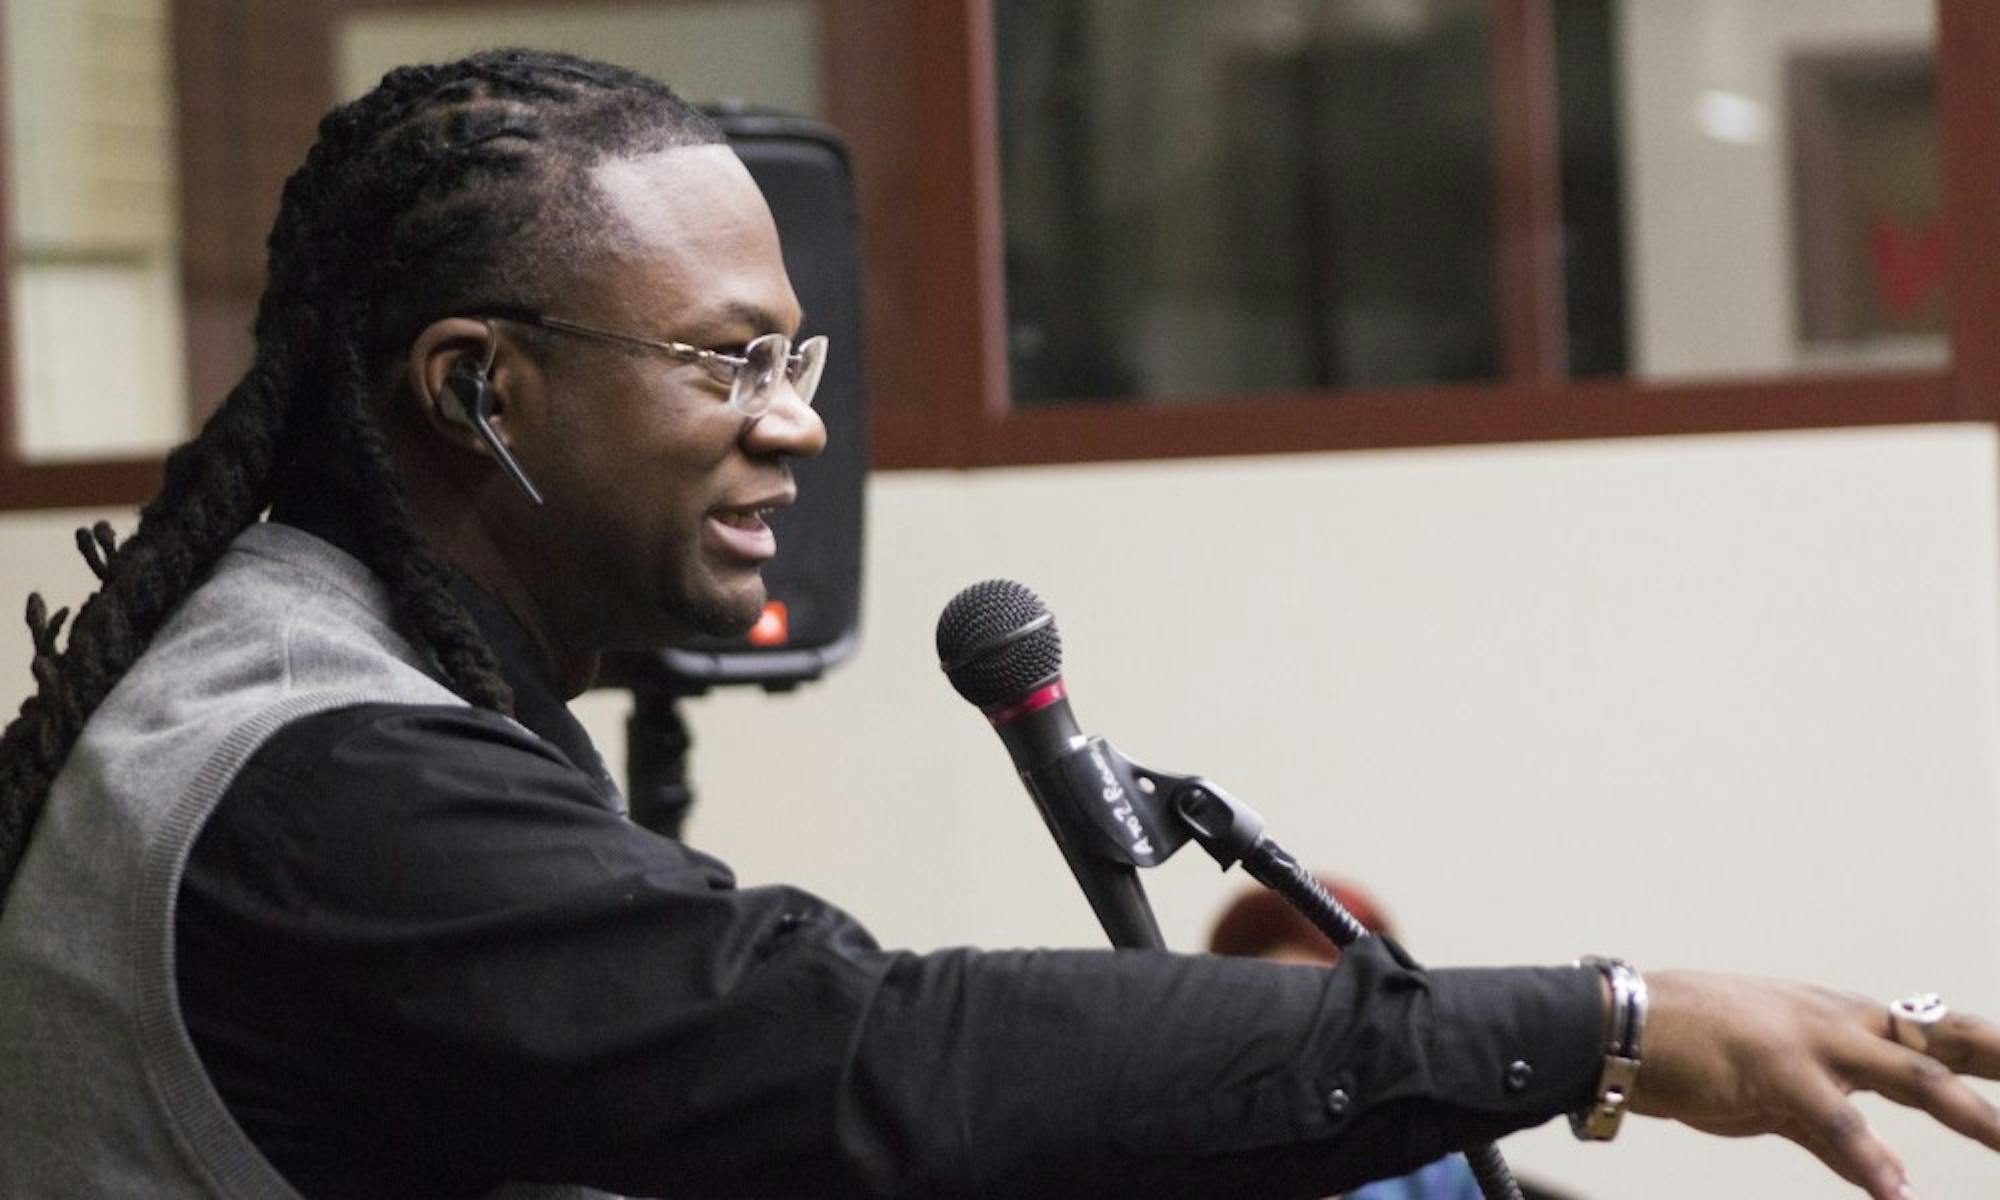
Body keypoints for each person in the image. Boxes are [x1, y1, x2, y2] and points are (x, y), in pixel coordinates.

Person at [0, 48, 1994, 1200]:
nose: (796, 423)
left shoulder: (333, 662)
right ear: (476, 387)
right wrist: (1607, 1020)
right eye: (724, 361)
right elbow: (873, 1059)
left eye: (798, 351)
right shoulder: (330, 789)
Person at [1210, 879, 1581, 1200]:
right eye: (1289, 1018)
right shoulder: (1181, 1161)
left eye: (1337, 1020)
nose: (1313, 1045)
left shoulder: (1433, 1178)